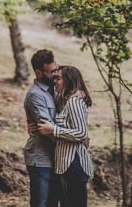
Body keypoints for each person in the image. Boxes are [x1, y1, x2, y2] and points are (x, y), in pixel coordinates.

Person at [37, 66, 94, 207]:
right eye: (54, 78)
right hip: (66, 164)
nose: (54, 81)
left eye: (58, 78)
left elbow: (81, 133)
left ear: (69, 80)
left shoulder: (74, 102)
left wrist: (53, 130)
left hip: (74, 163)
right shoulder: (65, 100)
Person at [24, 49, 61, 207]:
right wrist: (74, 138)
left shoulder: (56, 89)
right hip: (41, 160)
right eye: (51, 72)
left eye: (56, 69)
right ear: (39, 73)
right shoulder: (36, 95)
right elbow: (47, 129)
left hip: (56, 158)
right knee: (41, 204)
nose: (56, 74)